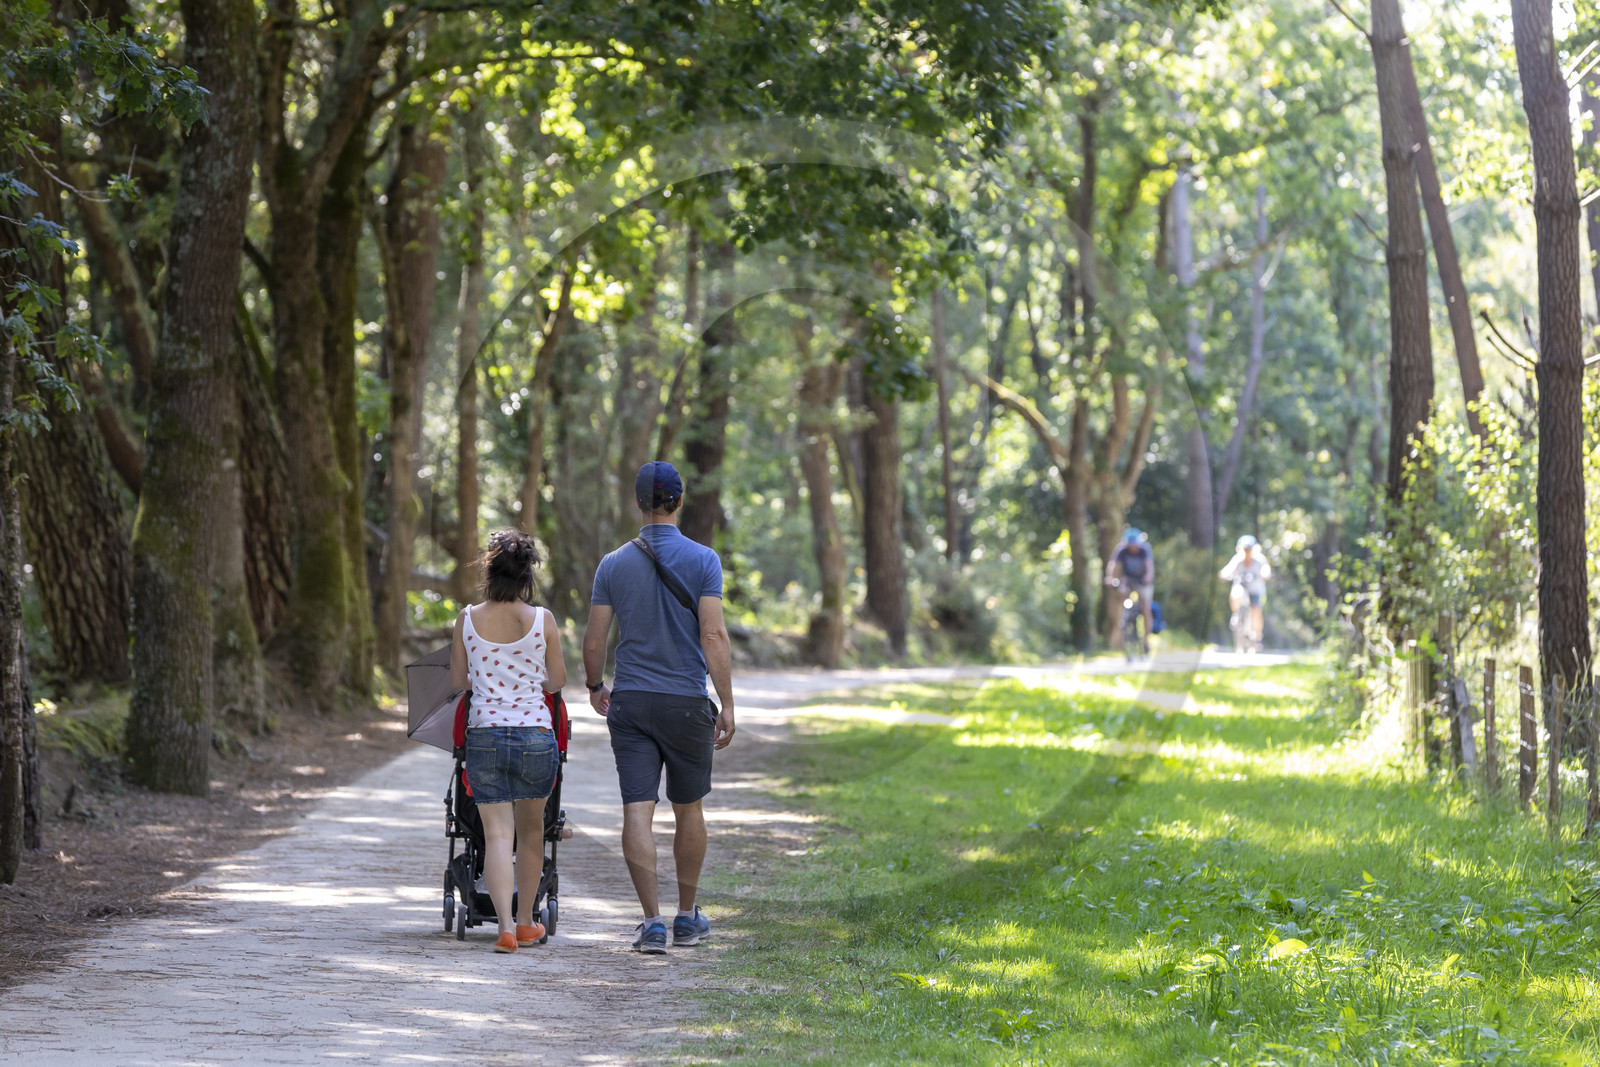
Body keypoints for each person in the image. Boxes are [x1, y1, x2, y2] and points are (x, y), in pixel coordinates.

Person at [582, 461, 737, 955]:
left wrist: (594, 685)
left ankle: (651, 924)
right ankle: (687, 918)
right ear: (679, 500)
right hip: (688, 703)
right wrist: (727, 701)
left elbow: (593, 639)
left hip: (630, 702)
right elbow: (712, 633)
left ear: (638, 503)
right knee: (688, 809)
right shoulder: (704, 559)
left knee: (637, 809)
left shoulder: (612, 564)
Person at [449, 529, 568, 954]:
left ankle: (502, 929)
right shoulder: (543, 620)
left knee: (497, 835)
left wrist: (487, 678)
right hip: (535, 734)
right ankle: (525, 922)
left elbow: (457, 680)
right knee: (531, 834)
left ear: (489, 572)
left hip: (483, 735)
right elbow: (556, 681)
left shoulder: (467, 618)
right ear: (526, 576)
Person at [1219, 534, 1272, 650]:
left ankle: (1257, 637)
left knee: (1256, 609)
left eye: (1249, 550)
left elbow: (1265, 569)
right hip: (1241, 587)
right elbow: (1228, 568)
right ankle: (1236, 613)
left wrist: (1265, 574)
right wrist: (1224, 574)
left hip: (1256, 590)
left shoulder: (1259, 559)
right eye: (1245, 549)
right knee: (1235, 593)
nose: (1247, 552)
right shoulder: (1237, 559)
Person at [1104, 528, 1155, 641]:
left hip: (1143, 581)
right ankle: (1124, 618)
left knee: (1146, 608)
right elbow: (1113, 565)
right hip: (1128, 580)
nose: (1133, 548)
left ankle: (1146, 640)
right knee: (1122, 593)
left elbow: (1149, 566)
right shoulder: (1122, 550)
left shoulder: (1145, 549)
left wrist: (1148, 577)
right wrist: (1109, 577)